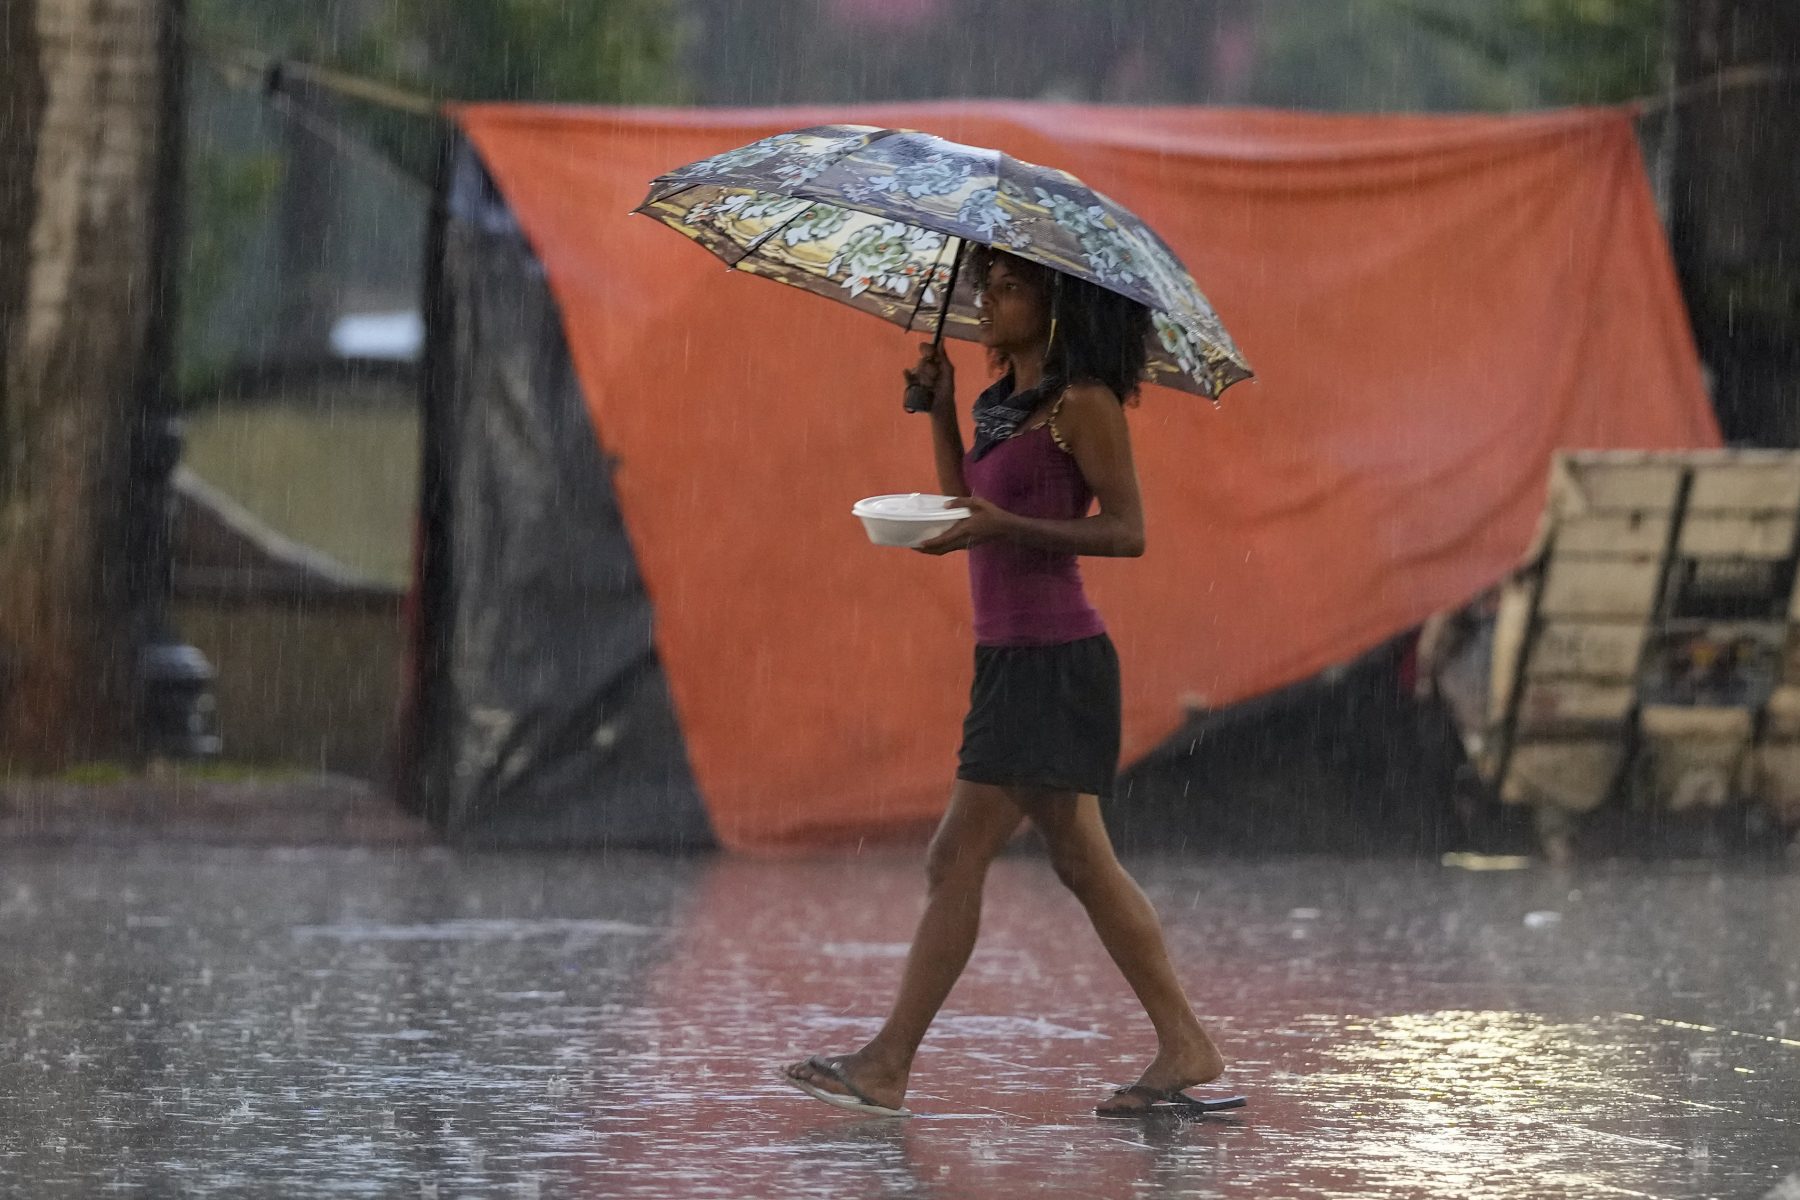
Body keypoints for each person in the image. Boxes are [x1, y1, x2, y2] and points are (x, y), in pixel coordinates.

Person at [783, 247, 1226, 1118]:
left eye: (1012, 286)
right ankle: (1185, 1044)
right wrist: (943, 413)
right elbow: (965, 513)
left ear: (1057, 303)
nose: (990, 298)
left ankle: (887, 1064)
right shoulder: (999, 408)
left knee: (961, 855)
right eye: (987, 283)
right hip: (1011, 658)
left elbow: (1128, 531)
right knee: (1083, 864)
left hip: (1055, 660)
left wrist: (1009, 521)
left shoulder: (1082, 405)